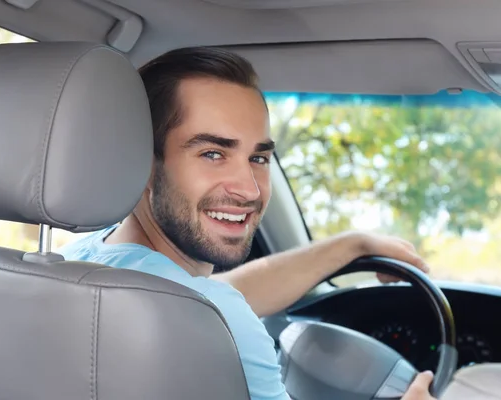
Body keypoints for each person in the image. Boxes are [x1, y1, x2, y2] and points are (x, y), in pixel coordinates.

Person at [58, 47, 435, 400]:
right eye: (212, 153)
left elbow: (206, 295)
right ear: (141, 161)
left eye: (259, 158)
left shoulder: (76, 261)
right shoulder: (225, 325)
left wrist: (352, 245)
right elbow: (212, 305)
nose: (249, 190)